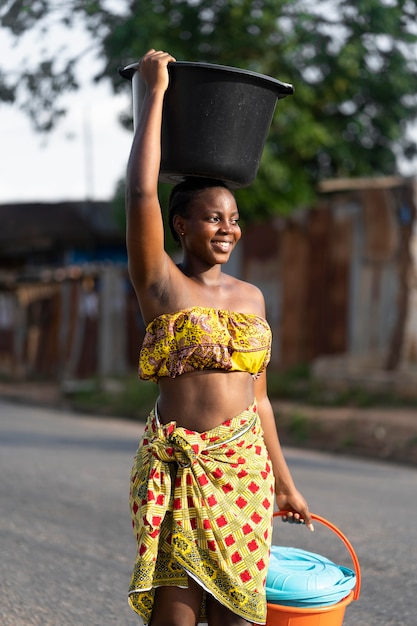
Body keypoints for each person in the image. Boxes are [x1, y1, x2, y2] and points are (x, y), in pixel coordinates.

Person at [125, 49, 313, 626]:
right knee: (175, 619)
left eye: (233, 219)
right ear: (181, 225)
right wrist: (154, 95)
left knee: (237, 618)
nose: (227, 228)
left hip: (243, 474)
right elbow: (140, 194)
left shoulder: (251, 299)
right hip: (180, 471)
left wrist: (285, 483)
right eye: (212, 218)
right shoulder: (161, 284)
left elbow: (259, 400)